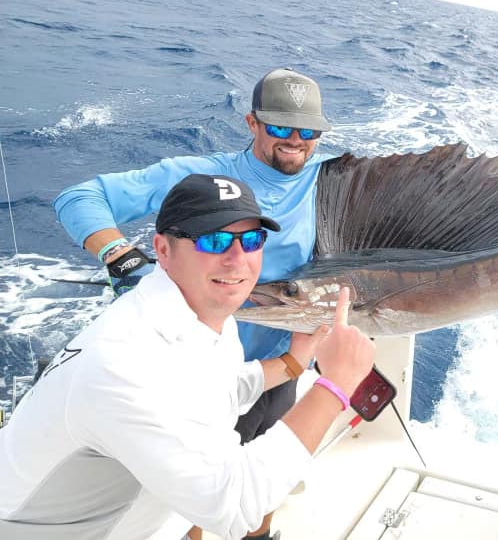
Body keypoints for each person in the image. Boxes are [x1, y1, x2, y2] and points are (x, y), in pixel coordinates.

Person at [0, 174, 376, 539]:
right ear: (163, 249)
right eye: (213, 241)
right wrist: (334, 385)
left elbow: (209, 388)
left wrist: (294, 362)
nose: (237, 259)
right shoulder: (123, 365)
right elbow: (235, 509)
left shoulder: (205, 312)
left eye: (251, 239)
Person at [52, 67, 336, 540]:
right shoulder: (202, 178)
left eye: (307, 131)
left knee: (263, 488)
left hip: (279, 369)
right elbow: (80, 197)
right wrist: (120, 256)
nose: (295, 140)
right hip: (192, 378)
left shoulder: (329, 184)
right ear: (251, 123)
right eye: (280, 127)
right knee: (192, 508)